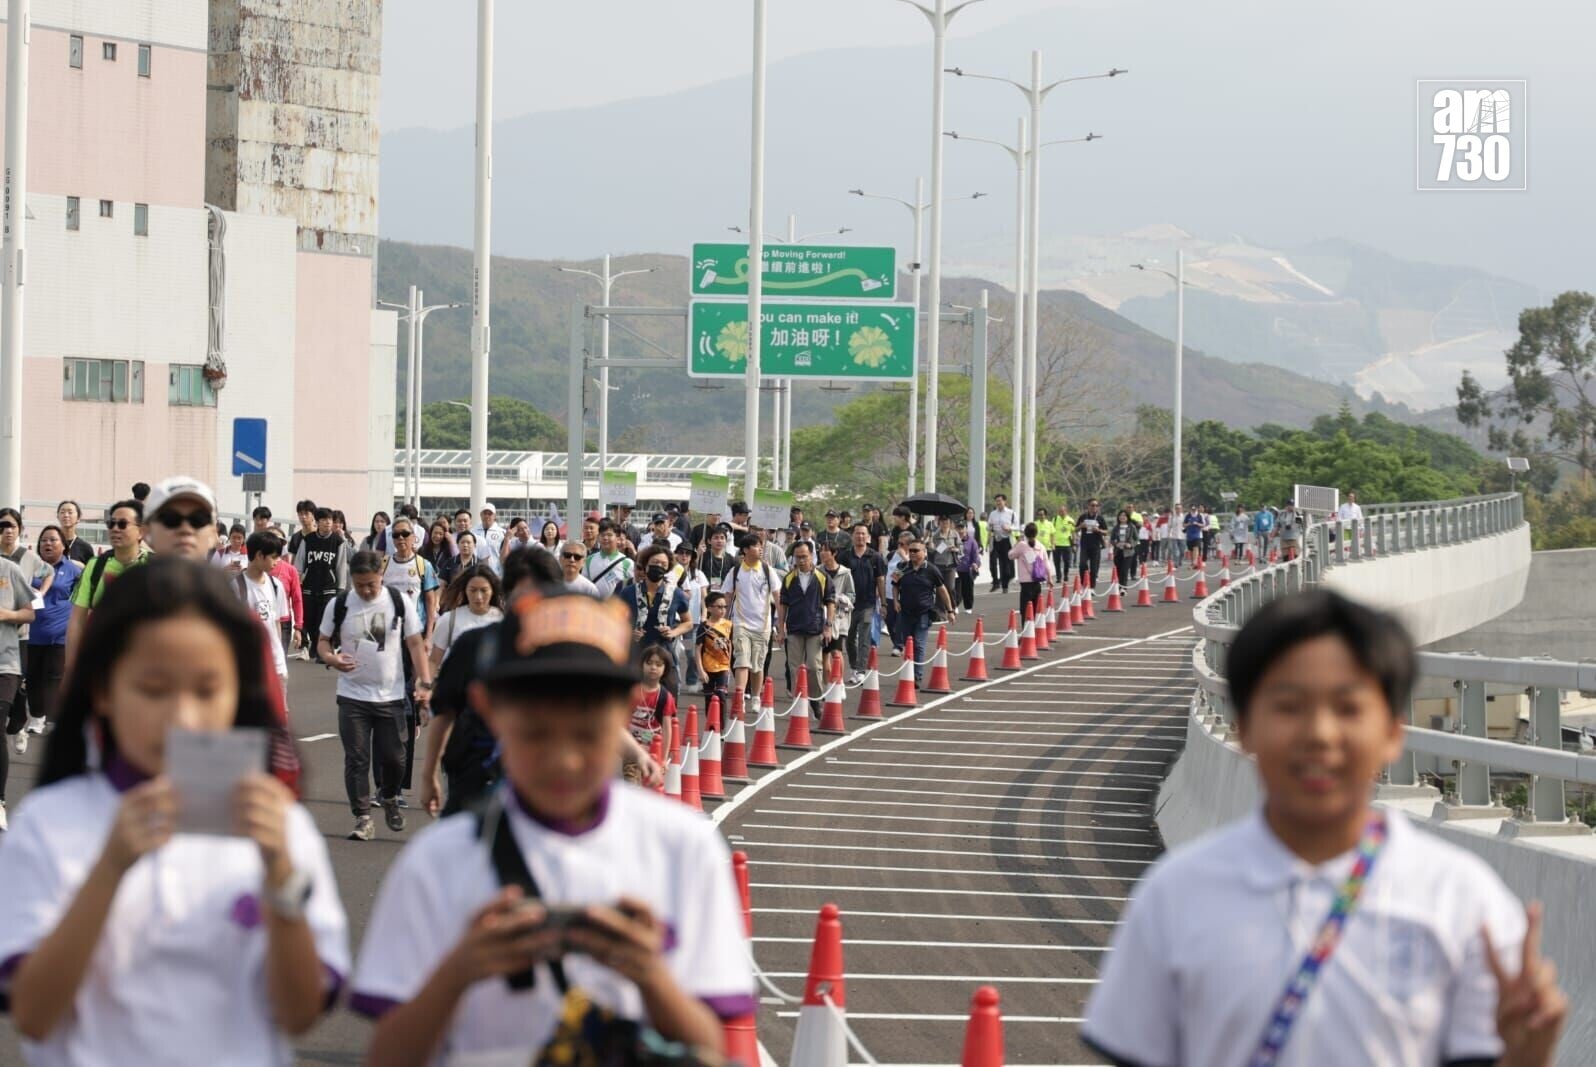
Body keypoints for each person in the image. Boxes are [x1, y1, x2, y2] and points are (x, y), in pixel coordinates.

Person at [1083, 590, 1567, 1067]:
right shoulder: (1175, 896)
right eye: (1289, 706)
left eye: (1348, 708)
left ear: (1393, 732)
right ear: (1245, 725)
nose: (1319, 734)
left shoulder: (1464, 904)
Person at [352, 589, 753, 1066]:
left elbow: (711, 1046)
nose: (564, 759)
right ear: (490, 709)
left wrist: (649, 974)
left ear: (626, 710)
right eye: (536, 732)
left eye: (588, 732)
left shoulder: (683, 849)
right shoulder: (437, 861)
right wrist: (459, 971)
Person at [0, 559, 348, 1059]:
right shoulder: (48, 823)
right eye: (153, 689)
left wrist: (280, 876)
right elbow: (33, 1014)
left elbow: (300, 1012)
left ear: (238, 692)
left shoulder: (279, 826)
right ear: (103, 690)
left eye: (207, 690)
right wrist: (109, 869)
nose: (183, 715)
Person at [317, 550, 433, 842]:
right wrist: (331, 659)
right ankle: (363, 818)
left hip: (390, 695)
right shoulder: (339, 604)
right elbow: (322, 642)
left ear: (381, 575)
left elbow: (415, 644)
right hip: (352, 695)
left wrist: (424, 683)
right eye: (360, 585)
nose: (366, 590)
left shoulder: (398, 601)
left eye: (371, 584)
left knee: (395, 758)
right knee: (357, 758)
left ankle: (390, 796)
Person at [65, 499, 145, 667]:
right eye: (111, 523)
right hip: (101, 663)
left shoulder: (154, 566)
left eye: (122, 524)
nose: (115, 529)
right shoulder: (95, 566)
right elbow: (77, 621)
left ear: (141, 531)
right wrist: (71, 667)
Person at [23, 525, 79, 738]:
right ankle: (37, 716)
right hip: (31, 633)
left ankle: (53, 718)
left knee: (54, 677)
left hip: (59, 635)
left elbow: (82, 601)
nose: (47, 543)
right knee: (33, 677)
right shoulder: (30, 568)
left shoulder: (73, 570)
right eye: (44, 540)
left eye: (53, 540)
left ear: (63, 545)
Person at [0, 549, 36, 828]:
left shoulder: (8, 569)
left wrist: (8, 614)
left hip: (4, 665)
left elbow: (30, 612)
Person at [720, 533, 776, 707]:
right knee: (742, 661)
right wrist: (722, 622)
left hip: (762, 625)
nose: (760, 549)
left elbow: (778, 596)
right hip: (740, 624)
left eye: (760, 545)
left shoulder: (767, 570)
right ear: (745, 550)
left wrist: (781, 623)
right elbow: (727, 596)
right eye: (756, 546)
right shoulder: (735, 571)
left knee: (757, 666)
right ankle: (740, 696)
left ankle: (756, 697)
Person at [777, 542, 833, 715]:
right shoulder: (789, 578)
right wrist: (780, 629)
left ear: (812, 556)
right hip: (794, 628)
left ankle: (816, 700)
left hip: (815, 628)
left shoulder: (822, 576)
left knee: (814, 667)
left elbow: (830, 602)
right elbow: (783, 604)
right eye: (797, 557)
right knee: (794, 667)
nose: (801, 560)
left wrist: (828, 626)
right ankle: (799, 701)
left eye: (804, 556)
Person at [235, 532, 295, 694]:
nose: (277, 561)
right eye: (274, 557)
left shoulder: (276, 586)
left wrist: (280, 659)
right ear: (259, 555)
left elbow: (276, 623)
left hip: (276, 666)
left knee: (279, 709)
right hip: (248, 667)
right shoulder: (236, 587)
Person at [619, 545, 693, 669]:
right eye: (655, 562)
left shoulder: (676, 593)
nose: (658, 566)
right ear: (645, 565)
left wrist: (673, 632)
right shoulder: (629, 592)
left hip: (664, 655)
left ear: (668, 568)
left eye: (663, 564)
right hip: (635, 656)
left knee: (670, 681)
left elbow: (688, 622)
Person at [892, 539, 953, 687]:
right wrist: (895, 601)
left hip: (924, 612)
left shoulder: (931, 569)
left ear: (924, 552)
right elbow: (895, 585)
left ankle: (916, 677)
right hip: (905, 612)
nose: (912, 553)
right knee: (908, 643)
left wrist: (950, 610)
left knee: (919, 644)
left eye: (916, 550)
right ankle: (908, 673)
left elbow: (942, 589)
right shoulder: (901, 567)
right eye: (910, 550)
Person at [294, 508, 349, 665]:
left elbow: (341, 566)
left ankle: (321, 652)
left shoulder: (338, 541)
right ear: (317, 522)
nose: (328, 522)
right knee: (309, 621)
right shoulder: (308, 540)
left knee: (324, 620)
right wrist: (297, 581)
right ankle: (313, 645)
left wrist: (340, 588)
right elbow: (299, 563)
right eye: (324, 520)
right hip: (309, 587)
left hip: (329, 587)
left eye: (330, 520)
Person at [837, 523, 886, 683]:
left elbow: (880, 580)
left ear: (868, 537)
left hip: (868, 603)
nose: (860, 536)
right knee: (850, 638)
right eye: (857, 533)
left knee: (865, 637)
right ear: (852, 536)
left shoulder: (875, 557)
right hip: (848, 604)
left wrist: (883, 603)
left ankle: (861, 670)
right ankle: (853, 666)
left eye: (863, 534)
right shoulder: (844, 556)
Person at [430, 565, 503, 672]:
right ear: (465, 590)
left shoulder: (503, 619)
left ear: (492, 590)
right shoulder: (449, 620)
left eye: (484, 590)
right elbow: (433, 661)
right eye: (473, 590)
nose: (478, 597)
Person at [627, 645, 677, 785]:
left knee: (649, 784)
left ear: (665, 669)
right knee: (631, 779)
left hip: (653, 747)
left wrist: (664, 758)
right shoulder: (632, 690)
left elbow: (667, 729)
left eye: (658, 664)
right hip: (632, 745)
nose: (653, 667)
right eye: (649, 663)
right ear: (642, 665)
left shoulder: (665, 697)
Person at [672, 542, 710, 692]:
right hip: (674, 620)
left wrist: (704, 614)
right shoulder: (671, 572)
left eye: (687, 553)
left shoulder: (698, 575)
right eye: (681, 552)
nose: (684, 556)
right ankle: (674, 683)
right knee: (673, 653)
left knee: (691, 654)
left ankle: (691, 680)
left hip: (692, 622)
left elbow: (704, 597)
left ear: (692, 557)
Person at [817, 540, 855, 678]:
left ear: (834, 553)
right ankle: (827, 684)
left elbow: (852, 595)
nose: (822, 553)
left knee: (836, 652)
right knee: (824, 652)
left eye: (826, 550)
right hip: (821, 616)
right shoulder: (817, 571)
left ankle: (839, 683)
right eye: (821, 550)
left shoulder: (845, 573)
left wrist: (838, 599)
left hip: (839, 618)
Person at [696, 590, 734, 715]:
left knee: (721, 696)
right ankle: (710, 724)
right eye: (719, 607)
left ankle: (721, 725)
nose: (723, 610)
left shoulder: (729, 625)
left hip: (723, 668)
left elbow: (730, 644)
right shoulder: (704, 627)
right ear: (709, 608)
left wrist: (729, 665)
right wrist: (701, 670)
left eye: (725, 607)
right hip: (708, 668)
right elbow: (698, 649)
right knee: (709, 699)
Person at [1008, 522, 1054, 623]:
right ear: (1036, 533)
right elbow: (1046, 563)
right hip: (1037, 581)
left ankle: (1027, 630)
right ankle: (1035, 630)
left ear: (1025, 533)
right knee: (1036, 609)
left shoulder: (1022, 545)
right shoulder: (1040, 546)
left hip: (1026, 583)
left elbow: (1010, 555)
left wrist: (1017, 542)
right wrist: (1049, 578)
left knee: (1025, 610)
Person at [582, 520, 635, 597]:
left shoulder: (627, 563)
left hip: (617, 603)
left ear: (617, 538)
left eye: (609, 535)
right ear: (598, 537)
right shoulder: (589, 560)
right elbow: (584, 585)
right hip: (593, 603)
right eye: (602, 535)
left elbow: (633, 587)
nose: (605, 538)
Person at [929, 514, 962, 608]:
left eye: (947, 522)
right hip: (938, 564)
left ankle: (953, 607)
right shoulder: (935, 535)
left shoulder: (954, 534)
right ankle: (940, 610)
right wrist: (932, 546)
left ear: (950, 523)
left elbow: (961, 547)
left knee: (950, 587)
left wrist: (955, 549)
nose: (945, 524)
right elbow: (932, 551)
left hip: (951, 564)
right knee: (939, 588)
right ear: (939, 523)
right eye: (942, 522)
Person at [987, 494, 1017, 593]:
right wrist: (990, 526)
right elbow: (988, 527)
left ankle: (1005, 585)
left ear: (1005, 501)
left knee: (1005, 565)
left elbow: (1016, 526)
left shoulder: (1011, 513)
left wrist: (1010, 528)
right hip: (995, 540)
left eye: (1000, 501)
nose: (998, 503)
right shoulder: (992, 514)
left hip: (1006, 540)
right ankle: (996, 582)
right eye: (997, 501)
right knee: (993, 562)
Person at [55, 500, 98, 565]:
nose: (66, 515)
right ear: (58, 517)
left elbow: (90, 570)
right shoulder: (51, 544)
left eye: (70, 512)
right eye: (62, 512)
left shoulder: (85, 548)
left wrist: (80, 566)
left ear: (78, 518)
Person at [421, 519, 461, 588]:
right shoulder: (423, 550)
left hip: (444, 586)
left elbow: (457, 559)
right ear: (431, 533)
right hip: (427, 586)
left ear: (444, 535)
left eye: (440, 534)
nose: (437, 536)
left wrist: (451, 542)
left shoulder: (448, 550)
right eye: (435, 533)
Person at [1077, 499, 1106, 590]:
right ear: (1088, 506)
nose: (1094, 507)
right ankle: (1084, 584)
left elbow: (1106, 531)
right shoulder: (1083, 517)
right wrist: (1081, 526)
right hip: (1085, 544)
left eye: (1096, 505)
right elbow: (1075, 529)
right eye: (1092, 505)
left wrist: (1098, 530)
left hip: (1095, 545)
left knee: (1094, 568)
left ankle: (1092, 587)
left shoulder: (1100, 518)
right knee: (1082, 565)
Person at [1110, 510, 1140, 590]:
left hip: (1128, 553)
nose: (1122, 517)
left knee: (1124, 571)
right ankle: (1120, 587)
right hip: (1118, 552)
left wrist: (1130, 545)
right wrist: (1116, 544)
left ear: (1127, 517)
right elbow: (1111, 539)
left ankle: (1123, 589)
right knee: (1119, 571)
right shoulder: (1116, 527)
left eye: (1124, 515)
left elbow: (1136, 539)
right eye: (1121, 515)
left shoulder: (1131, 527)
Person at [954, 521, 981, 611]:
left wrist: (975, 563)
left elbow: (975, 555)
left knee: (967, 589)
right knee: (956, 589)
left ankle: (968, 607)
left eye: (962, 528)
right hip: (955, 569)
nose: (960, 531)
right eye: (958, 528)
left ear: (966, 529)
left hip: (967, 569)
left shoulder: (972, 541)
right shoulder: (952, 540)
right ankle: (955, 605)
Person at [1182, 504, 1205, 570]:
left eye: (1195, 509)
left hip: (1197, 535)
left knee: (1196, 548)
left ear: (1197, 509)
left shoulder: (1200, 515)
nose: (1193, 510)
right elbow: (1184, 524)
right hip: (1189, 535)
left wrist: (1197, 523)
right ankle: (1193, 563)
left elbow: (1203, 524)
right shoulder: (1187, 515)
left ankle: (1194, 562)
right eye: (1192, 509)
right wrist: (1188, 524)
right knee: (1191, 550)